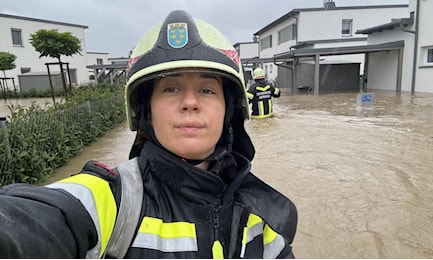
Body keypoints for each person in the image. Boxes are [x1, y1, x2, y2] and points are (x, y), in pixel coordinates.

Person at [0, 10, 297, 258]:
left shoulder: (265, 218)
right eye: (171, 88)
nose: (190, 102)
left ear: (228, 110)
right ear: (146, 111)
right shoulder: (111, 201)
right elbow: (27, 220)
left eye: (207, 90)